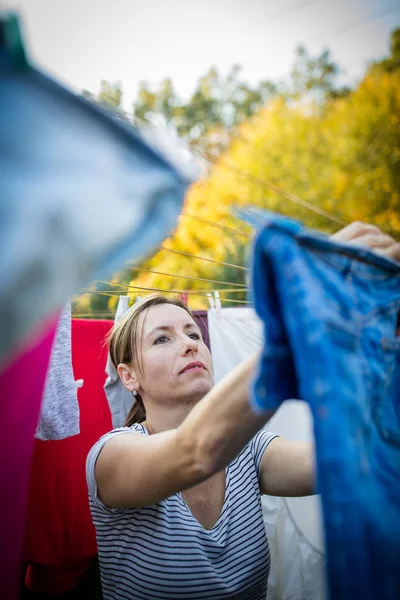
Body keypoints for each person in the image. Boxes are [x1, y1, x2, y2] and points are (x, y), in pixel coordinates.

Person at [86, 221, 400, 600]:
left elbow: (342, 461)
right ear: (128, 376)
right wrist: (299, 315)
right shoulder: (110, 455)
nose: (189, 345)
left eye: (193, 334)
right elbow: (194, 453)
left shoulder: (249, 450)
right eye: (162, 339)